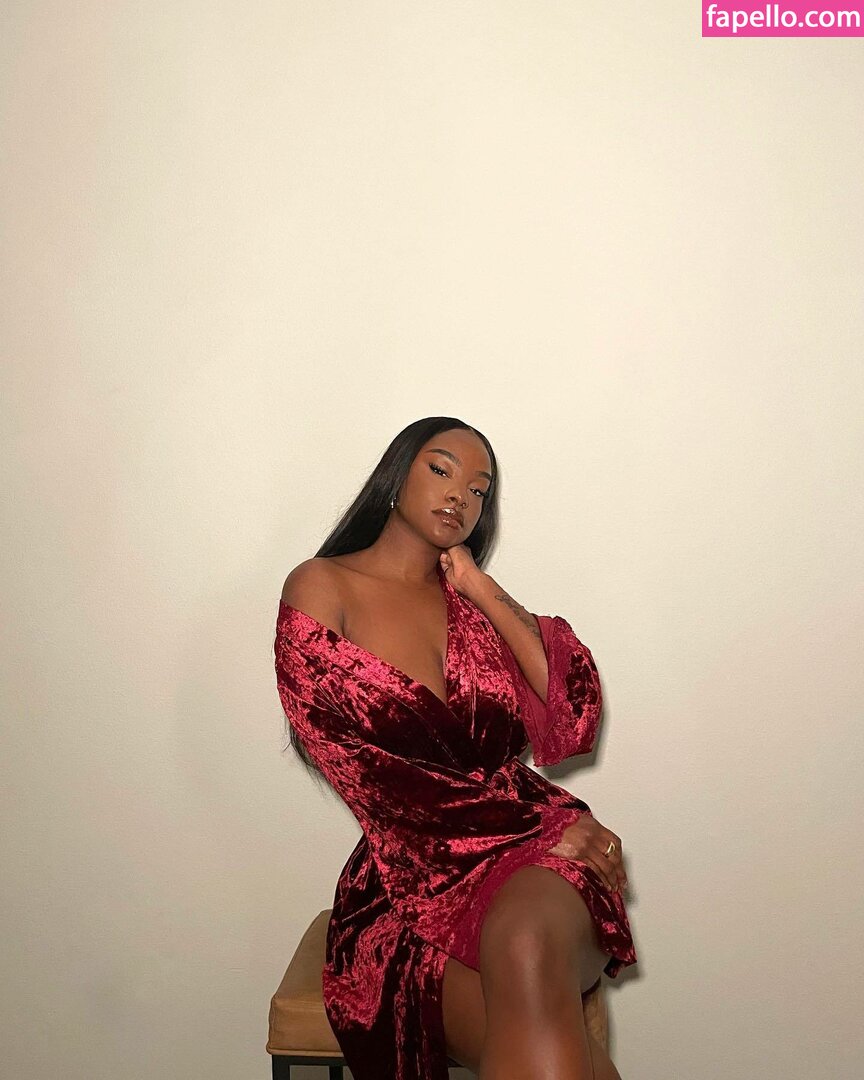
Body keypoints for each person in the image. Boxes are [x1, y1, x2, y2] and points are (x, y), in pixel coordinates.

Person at [274, 416, 637, 1080]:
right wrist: (532, 823)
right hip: (407, 882)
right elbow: (366, 774)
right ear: (395, 478)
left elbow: (571, 718)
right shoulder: (322, 587)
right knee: (557, 1052)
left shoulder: (473, 609)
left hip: (535, 861)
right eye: (441, 470)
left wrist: (479, 587)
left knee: (526, 941)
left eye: (479, 490)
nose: (459, 496)